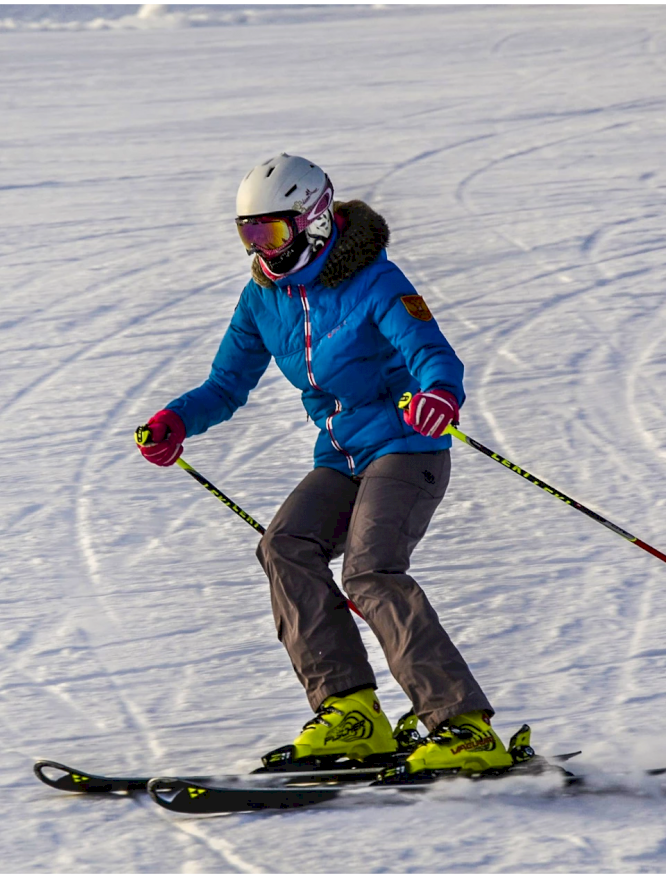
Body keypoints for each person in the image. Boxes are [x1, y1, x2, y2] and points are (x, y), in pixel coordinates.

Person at [137, 154, 512, 776]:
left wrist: (438, 395)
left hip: (406, 448)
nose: (262, 247)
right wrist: (176, 420)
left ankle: (463, 726)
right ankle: (350, 711)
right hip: (339, 455)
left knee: (370, 572)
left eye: (273, 231)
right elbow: (226, 384)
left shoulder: (375, 281)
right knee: (284, 545)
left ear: (311, 221)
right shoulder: (263, 298)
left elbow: (430, 352)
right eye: (249, 233)